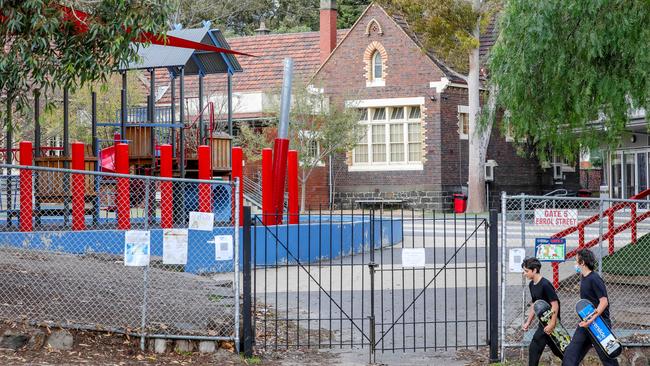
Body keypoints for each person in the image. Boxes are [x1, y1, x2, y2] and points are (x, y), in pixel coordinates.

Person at [562, 248, 618, 366]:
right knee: (570, 355)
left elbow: (604, 302)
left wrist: (591, 319)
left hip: (600, 324)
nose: (575, 263)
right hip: (586, 323)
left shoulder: (595, 278)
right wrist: (587, 320)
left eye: (576, 261)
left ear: (582, 263)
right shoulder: (584, 277)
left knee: (608, 359)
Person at [522, 257, 563, 366]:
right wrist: (528, 322)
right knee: (558, 349)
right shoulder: (532, 285)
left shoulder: (545, 284)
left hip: (550, 322)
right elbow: (534, 305)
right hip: (543, 322)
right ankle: (572, 361)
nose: (524, 273)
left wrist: (552, 323)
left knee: (534, 347)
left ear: (534, 270)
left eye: (526, 271)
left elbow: (555, 304)